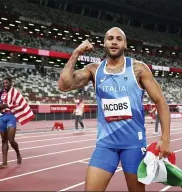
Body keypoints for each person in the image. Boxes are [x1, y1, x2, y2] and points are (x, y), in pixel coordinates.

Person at [57, 27, 171, 191]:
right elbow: (63, 85)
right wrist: (76, 52)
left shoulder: (138, 69)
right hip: (106, 144)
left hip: (133, 145)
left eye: (119, 39)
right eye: (110, 38)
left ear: (125, 44)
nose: (114, 42)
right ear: (105, 43)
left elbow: (160, 101)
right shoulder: (94, 70)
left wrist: (165, 138)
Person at [0, 77, 35, 169]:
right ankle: (4, 163)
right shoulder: (1, 93)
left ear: (11, 83)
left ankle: (18, 153)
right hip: (2, 117)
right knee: (4, 141)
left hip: (11, 117)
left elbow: (22, 104)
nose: (5, 84)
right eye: (3, 83)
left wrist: (7, 105)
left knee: (11, 139)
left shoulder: (16, 93)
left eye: (6, 83)